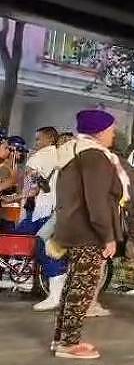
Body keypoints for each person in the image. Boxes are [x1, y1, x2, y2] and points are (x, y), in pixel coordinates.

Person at [51, 110, 130, 359]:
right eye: (110, 129)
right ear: (98, 132)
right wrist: (107, 235)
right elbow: (97, 201)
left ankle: (62, 338)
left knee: (73, 285)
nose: (113, 133)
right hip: (89, 231)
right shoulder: (95, 156)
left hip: (74, 227)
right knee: (83, 287)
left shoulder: (76, 152)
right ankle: (69, 344)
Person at [28, 127, 69, 311]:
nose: (36, 143)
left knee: (45, 247)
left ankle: (54, 295)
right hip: (55, 209)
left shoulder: (43, 155)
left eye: (38, 139)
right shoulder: (63, 159)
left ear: (50, 138)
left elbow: (30, 182)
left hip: (50, 210)